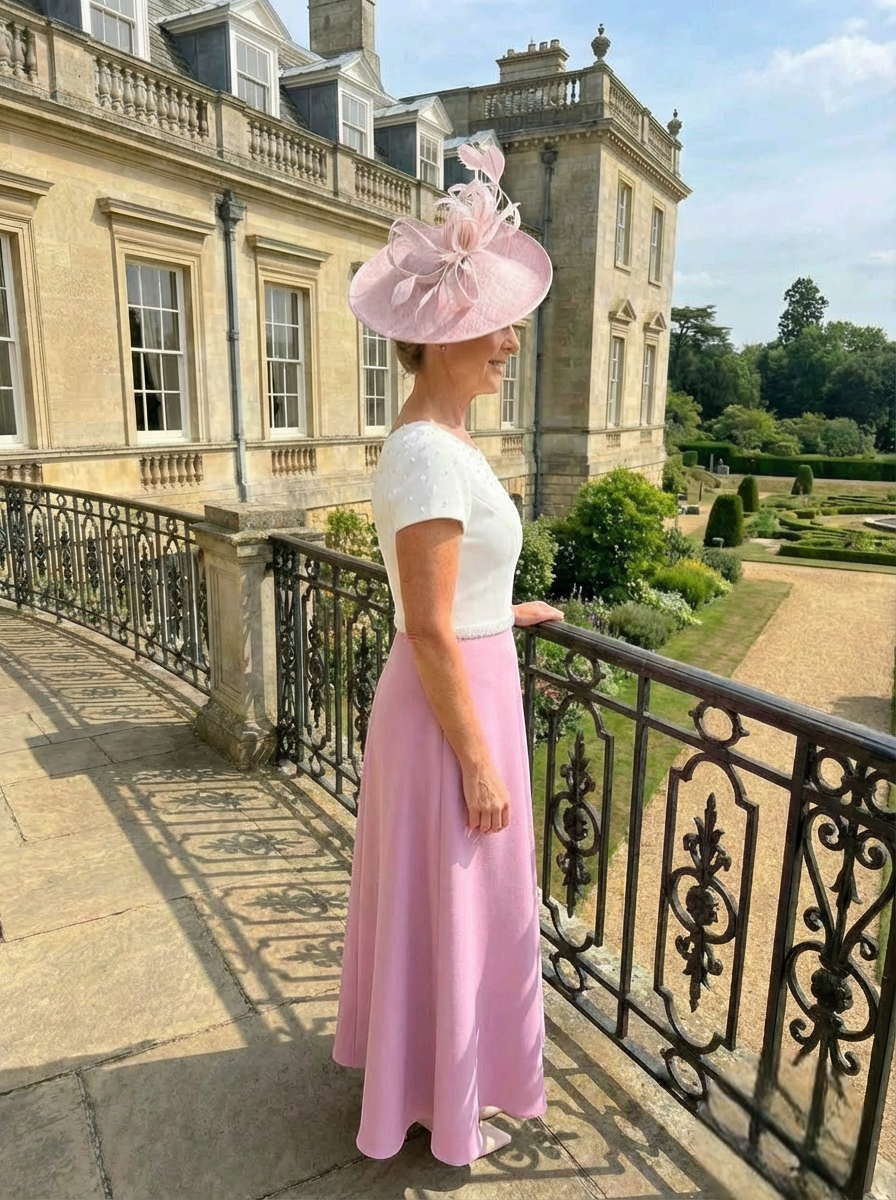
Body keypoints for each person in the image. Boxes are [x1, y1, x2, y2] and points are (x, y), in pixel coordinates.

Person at [332, 143, 563, 1166]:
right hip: (445, 714)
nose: (509, 342)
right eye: (494, 327)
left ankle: (435, 1089)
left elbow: (449, 603)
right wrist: (474, 756)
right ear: (442, 338)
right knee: (452, 899)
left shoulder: (447, 445)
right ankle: (438, 1104)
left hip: (465, 682)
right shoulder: (427, 448)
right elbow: (423, 627)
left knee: (450, 903)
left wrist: (502, 617)